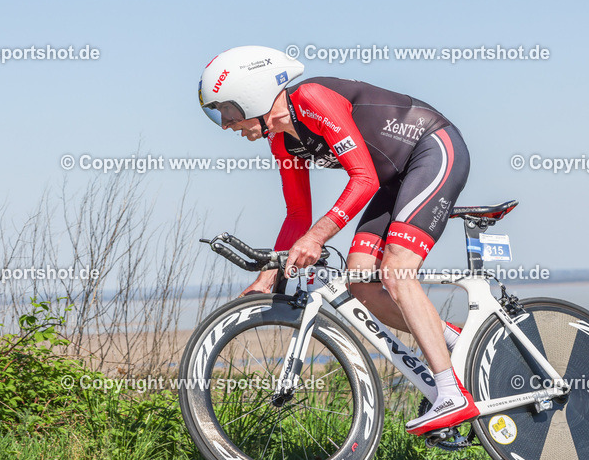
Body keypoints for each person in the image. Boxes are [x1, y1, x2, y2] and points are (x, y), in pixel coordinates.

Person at [198, 45, 475, 435]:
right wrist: (267, 277)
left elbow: (363, 179)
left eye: (227, 113)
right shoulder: (282, 142)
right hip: (393, 178)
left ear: (254, 94)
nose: (227, 125)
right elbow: (297, 216)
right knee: (361, 281)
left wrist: (317, 238)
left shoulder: (311, 99)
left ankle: (450, 393)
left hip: (431, 148)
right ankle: (452, 340)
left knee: (396, 270)